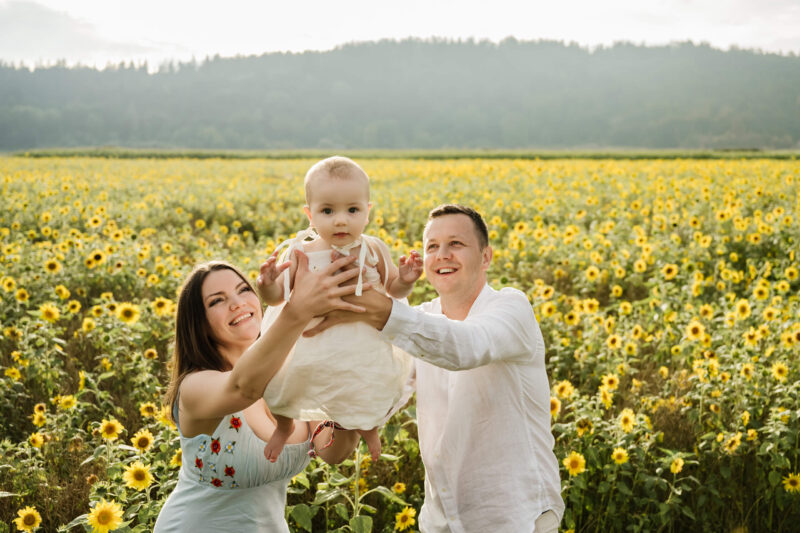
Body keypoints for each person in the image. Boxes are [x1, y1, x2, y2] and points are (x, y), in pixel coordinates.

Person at [306, 204, 565, 533]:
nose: (442, 255)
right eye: (432, 247)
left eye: (456, 244)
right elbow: (379, 388)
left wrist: (371, 305)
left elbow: (464, 348)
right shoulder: (422, 320)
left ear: (486, 257)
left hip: (516, 519)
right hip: (441, 522)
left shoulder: (511, 308)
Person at [153, 257, 362, 532]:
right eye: (217, 301)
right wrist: (299, 311)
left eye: (244, 290)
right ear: (199, 323)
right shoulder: (195, 386)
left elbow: (334, 450)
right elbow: (244, 387)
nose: (237, 303)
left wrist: (359, 392)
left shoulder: (292, 374)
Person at [256, 156, 422, 462]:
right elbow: (278, 298)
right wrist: (266, 284)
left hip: (361, 344)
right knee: (283, 387)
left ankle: (368, 427)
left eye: (352, 210)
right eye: (328, 211)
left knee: (368, 384)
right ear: (310, 215)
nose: (341, 220)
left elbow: (392, 289)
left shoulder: (373, 249)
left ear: (367, 212)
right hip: (309, 345)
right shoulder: (301, 252)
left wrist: (407, 279)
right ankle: (283, 426)